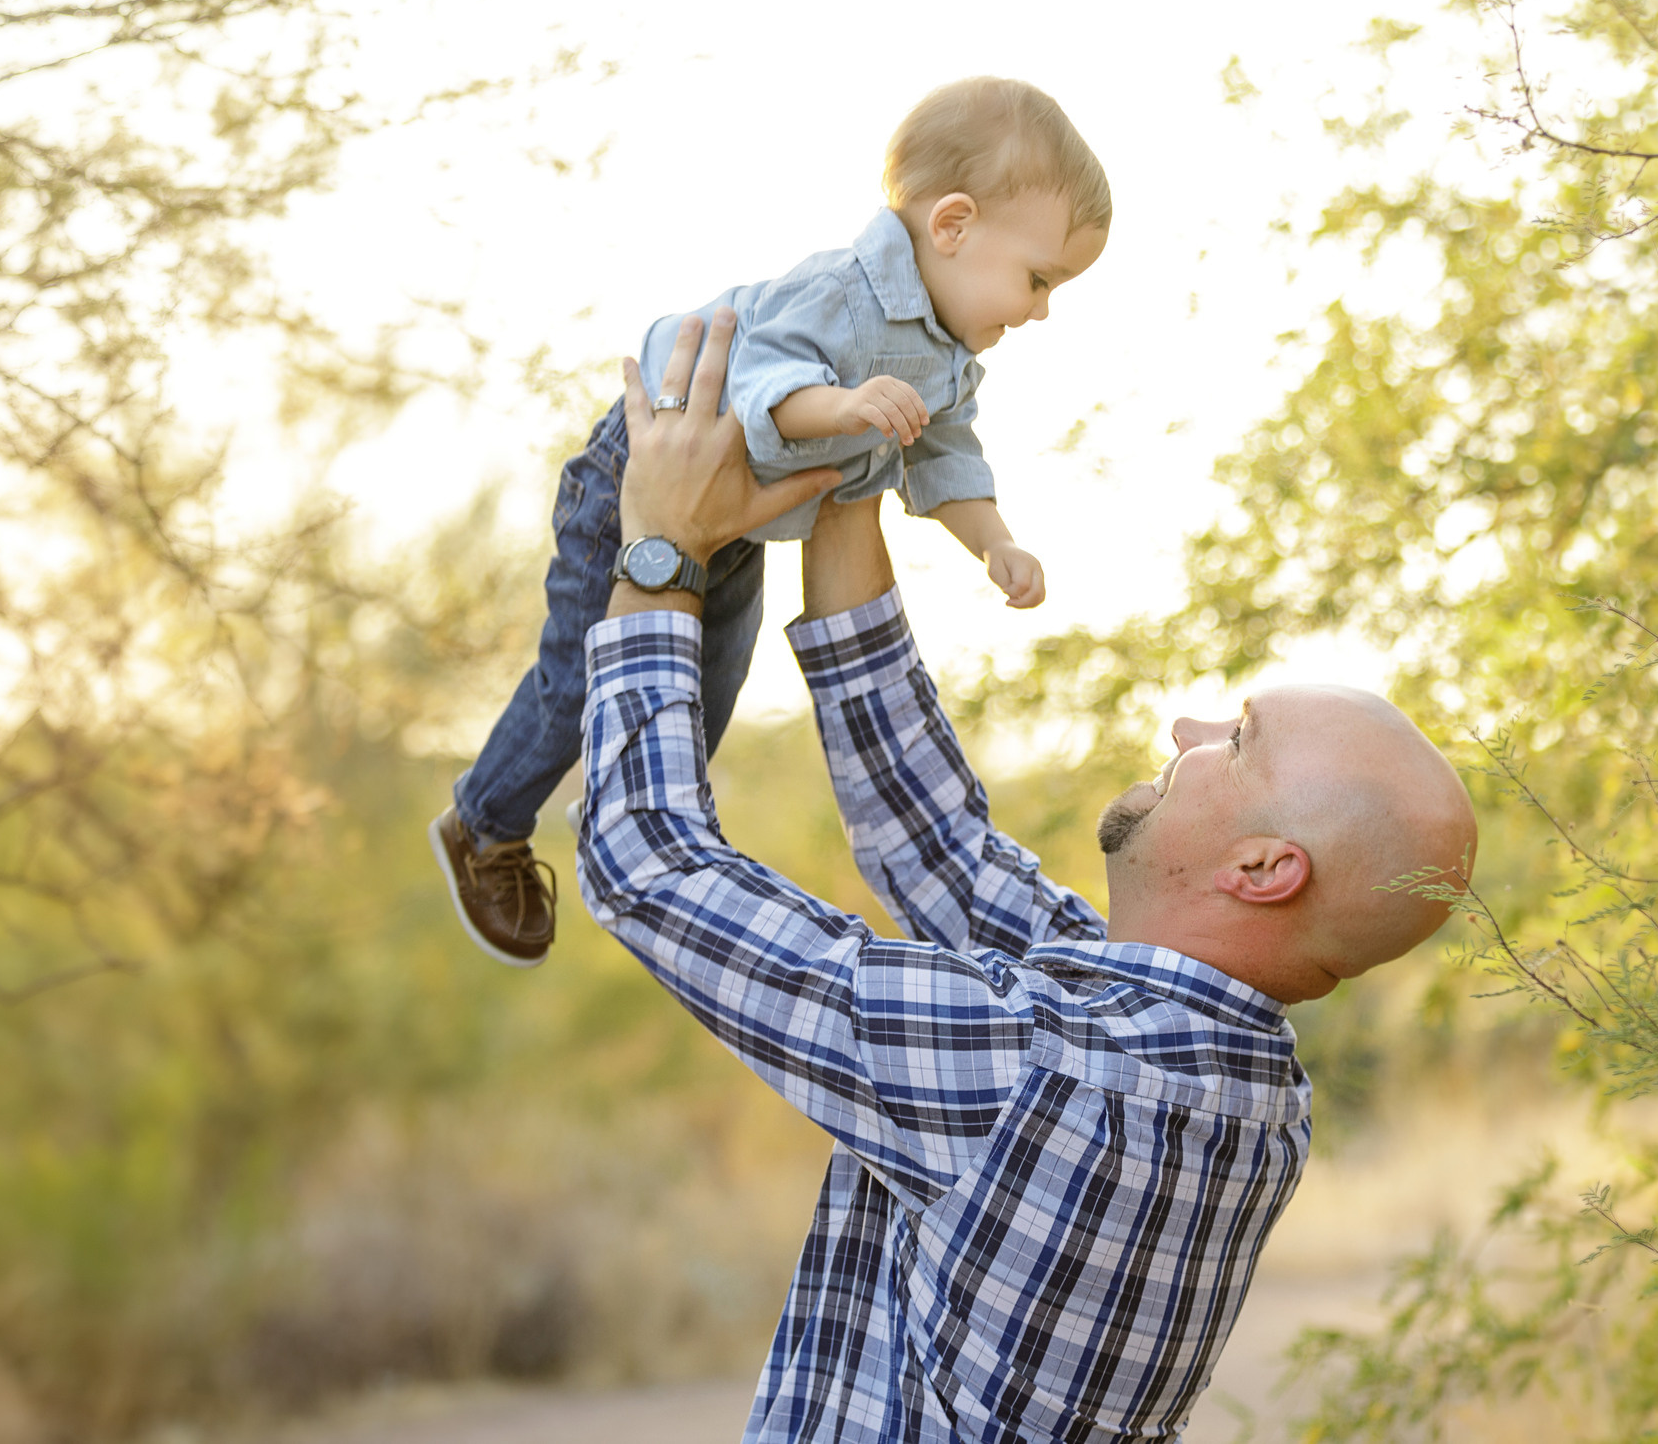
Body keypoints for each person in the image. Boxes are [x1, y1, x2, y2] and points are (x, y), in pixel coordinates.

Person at [578, 308, 1480, 1443]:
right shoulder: (1221, 1080)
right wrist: (851, 473)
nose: (1188, 725)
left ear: (1261, 868)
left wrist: (658, 549)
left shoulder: (1051, 1076)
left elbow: (646, 864)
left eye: (1235, 740)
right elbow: (938, 849)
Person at [432, 76, 1112, 967]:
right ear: (952, 225)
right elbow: (763, 390)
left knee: (705, 687)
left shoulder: (948, 356)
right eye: (1038, 279)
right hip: (637, 481)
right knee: (576, 679)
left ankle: (620, 804)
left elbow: (948, 459)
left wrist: (997, 543)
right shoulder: (842, 291)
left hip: (743, 520)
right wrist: (845, 407)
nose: (1041, 310)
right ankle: (482, 823)